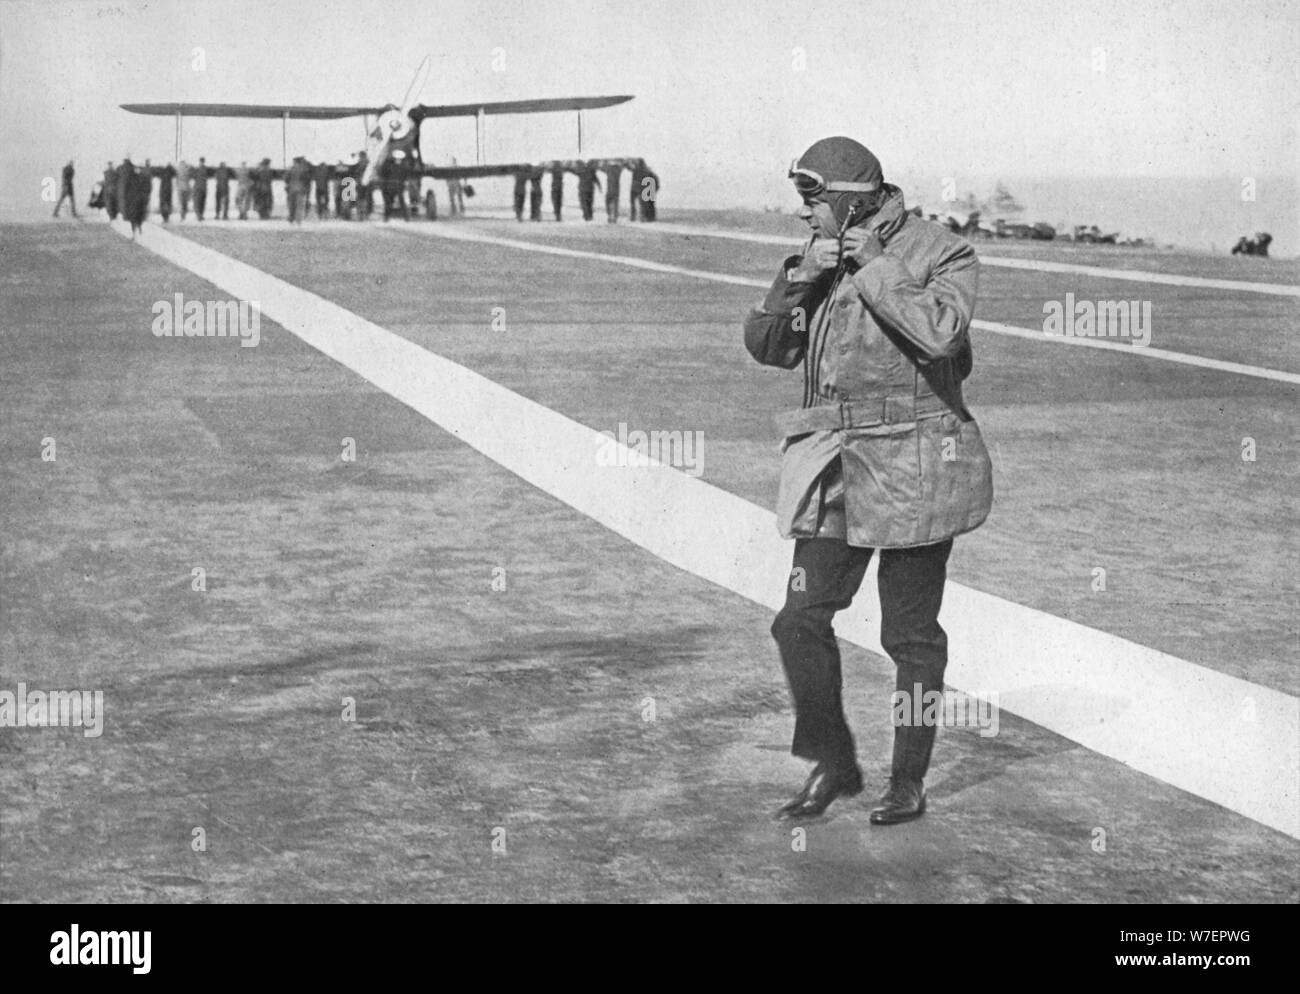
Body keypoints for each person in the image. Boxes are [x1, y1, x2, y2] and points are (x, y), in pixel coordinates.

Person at [742, 136, 993, 826]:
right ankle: (835, 761)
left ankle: (906, 782)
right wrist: (800, 278)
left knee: (910, 636)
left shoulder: (941, 250)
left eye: (812, 199)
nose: (804, 214)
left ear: (852, 200)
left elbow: (942, 334)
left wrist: (876, 267)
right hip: (836, 463)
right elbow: (769, 348)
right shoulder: (817, 257)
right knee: (798, 619)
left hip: (918, 464)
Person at [287, 156, 311, 223]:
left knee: (292, 204)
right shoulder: (304, 169)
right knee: (299, 205)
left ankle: (291, 219)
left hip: (292, 189)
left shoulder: (291, 169)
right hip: (301, 189)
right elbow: (307, 179)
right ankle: (298, 220)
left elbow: (286, 178)